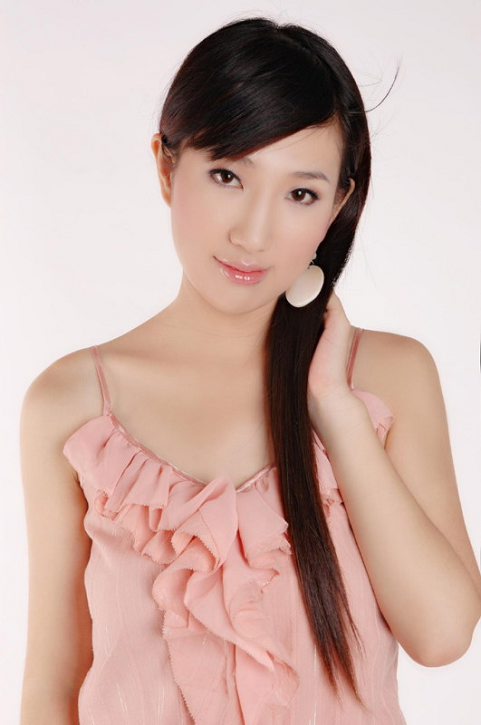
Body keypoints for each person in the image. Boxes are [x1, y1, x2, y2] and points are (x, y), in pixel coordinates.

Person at [20, 16, 481, 725]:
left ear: (337, 205)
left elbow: (443, 634)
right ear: (166, 166)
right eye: (228, 175)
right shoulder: (75, 405)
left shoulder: (386, 377)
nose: (253, 233)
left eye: (300, 193)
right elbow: (53, 688)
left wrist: (336, 410)